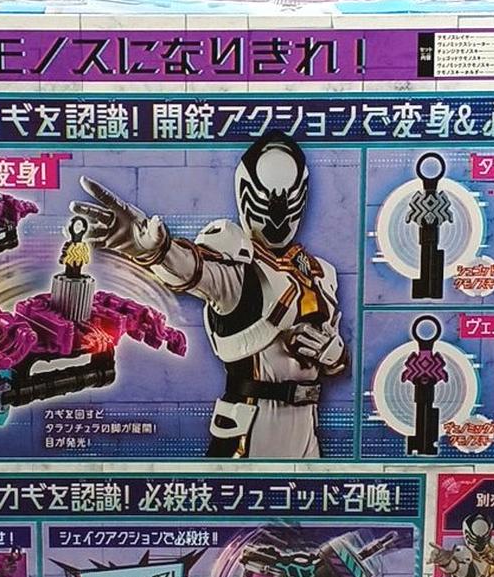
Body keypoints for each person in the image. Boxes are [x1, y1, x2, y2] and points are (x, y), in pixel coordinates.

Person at [71, 131, 347, 459]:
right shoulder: (239, 265)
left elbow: (335, 359)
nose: (277, 208)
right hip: (250, 428)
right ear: (246, 192)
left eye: (286, 197)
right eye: (268, 196)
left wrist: (335, 355)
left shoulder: (321, 273)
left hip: (306, 427)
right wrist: (155, 251)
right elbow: (195, 270)